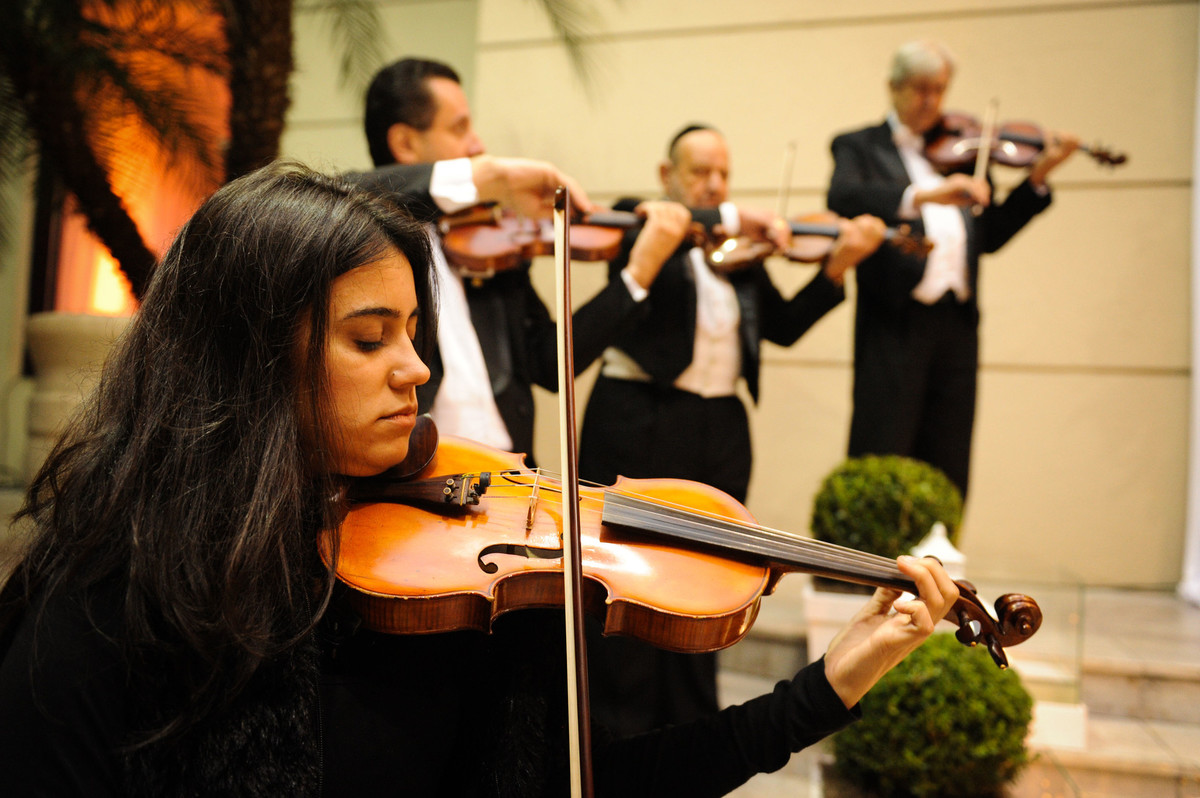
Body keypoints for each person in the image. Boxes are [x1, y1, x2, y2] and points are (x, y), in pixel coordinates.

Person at [0, 161, 959, 796]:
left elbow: (575, 785)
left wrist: (828, 687)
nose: (417, 374)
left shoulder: (429, 583)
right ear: (242, 356)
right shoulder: (102, 608)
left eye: (413, 334)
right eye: (369, 338)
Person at [579, 123, 887, 737]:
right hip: (637, 416)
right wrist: (731, 213)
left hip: (720, 425)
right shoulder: (641, 225)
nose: (715, 184)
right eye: (700, 172)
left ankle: (690, 724)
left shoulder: (739, 255)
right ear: (668, 176)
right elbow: (622, 239)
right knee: (634, 576)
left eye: (724, 173)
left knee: (710, 576)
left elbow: (784, 326)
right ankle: (617, 728)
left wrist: (836, 269)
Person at [355, 57, 690, 460]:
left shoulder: (487, 248)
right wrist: (492, 175)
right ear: (405, 143)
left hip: (508, 475)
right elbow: (342, 185)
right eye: (459, 128)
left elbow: (549, 363)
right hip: (415, 475)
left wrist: (638, 274)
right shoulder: (359, 236)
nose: (477, 144)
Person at [827, 40, 1080, 497]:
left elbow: (992, 235)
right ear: (894, 87)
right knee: (883, 439)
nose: (930, 101)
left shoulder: (964, 151)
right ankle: (863, 563)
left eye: (939, 90)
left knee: (949, 446)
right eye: (920, 89)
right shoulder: (858, 146)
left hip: (957, 324)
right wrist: (923, 195)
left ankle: (940, 558)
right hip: (895, 319)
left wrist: (1037, 177)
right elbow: (843, 198)